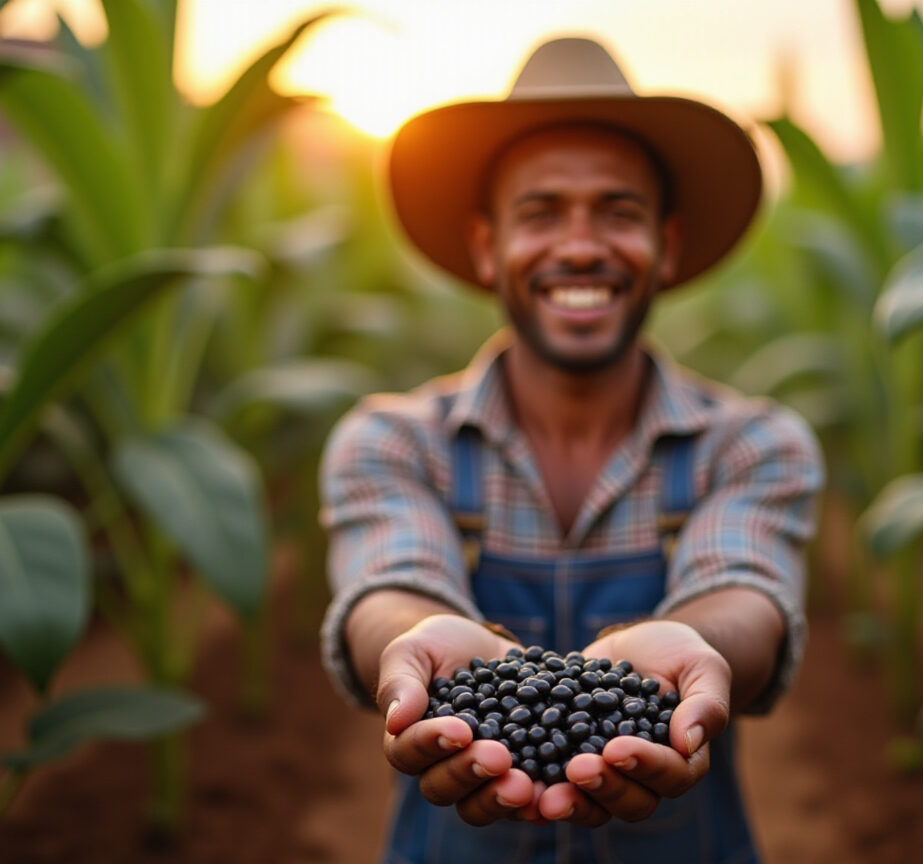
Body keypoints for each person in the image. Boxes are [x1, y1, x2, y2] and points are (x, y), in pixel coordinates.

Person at [318, 36, 824, 864]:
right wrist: (418, 638)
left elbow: (745, 589)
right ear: (488, 246)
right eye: (542, 212)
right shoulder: (394, 442)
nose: (581, 245)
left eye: (618, 212)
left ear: (667, 242)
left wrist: (695, 653)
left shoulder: (752, 444)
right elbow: (390, 581)